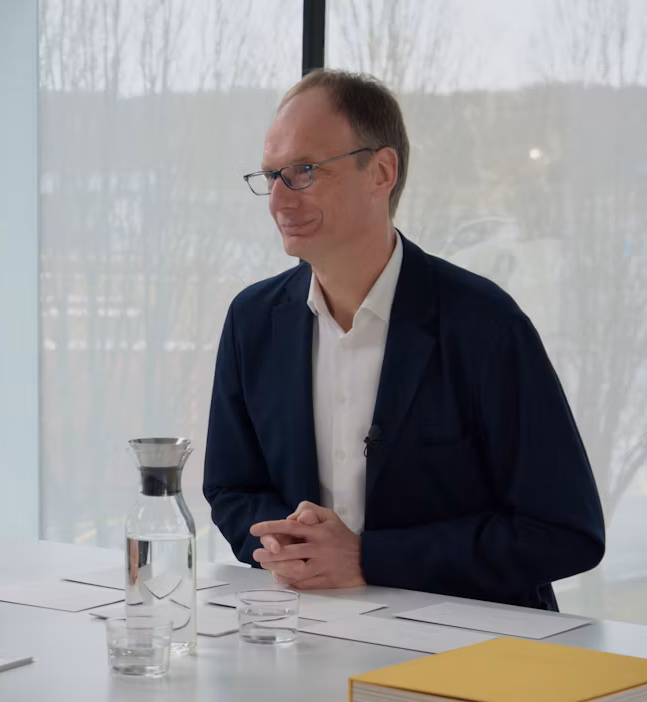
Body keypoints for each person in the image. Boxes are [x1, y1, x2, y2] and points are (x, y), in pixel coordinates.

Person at [202, 70, 604, 611]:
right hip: (307, 629)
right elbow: (231, 488)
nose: (277, 199)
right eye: (270, 174)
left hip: (470, 650)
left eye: (303, 171)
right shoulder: (251, 320)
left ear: (382, 172)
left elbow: (564, 530)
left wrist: (368, 558)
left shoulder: (485, 324)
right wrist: (290, 545)